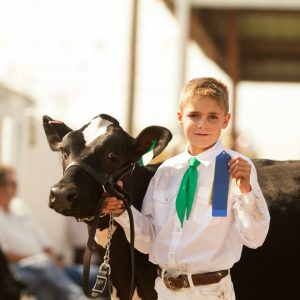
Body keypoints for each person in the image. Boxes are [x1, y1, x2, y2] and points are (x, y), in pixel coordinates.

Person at [101, 77, 270, 299]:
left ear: (225, 120)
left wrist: (245, 190)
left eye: (212, 117)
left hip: (211, 292)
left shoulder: (232, 168)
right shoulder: (166, 171)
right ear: (180, 118)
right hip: (164, 290)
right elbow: (149, 241)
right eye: (194, 115)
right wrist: (123, 211)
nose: (202, 124)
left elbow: (254, 238)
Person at [0, 164, 84, 300]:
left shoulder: (20, 206)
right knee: (44, 268)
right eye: (11, 183)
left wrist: (53, 260)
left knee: (95, 275)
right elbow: (5, 256)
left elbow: (44, 239)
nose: (15, 187)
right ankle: (78, 297)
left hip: (48, 267)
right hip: (18, 269)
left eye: (16, 183)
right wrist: (37, 257)